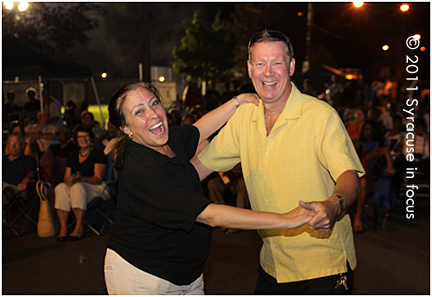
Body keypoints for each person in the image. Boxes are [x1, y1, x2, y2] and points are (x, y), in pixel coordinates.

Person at [193, 29, 364, 294]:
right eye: (260, 63)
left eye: (277, 63)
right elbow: (199, 168)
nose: (268, 72)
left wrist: (334, 204)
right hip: (272, 264)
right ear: (250, 69)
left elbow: (349, 177)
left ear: (291, 66)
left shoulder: (320, 115)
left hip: (323, 266)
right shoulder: (244, 117)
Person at [104, 82, 315, 295]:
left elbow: (199, 130)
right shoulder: (143, 172)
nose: (153, 114)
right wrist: (285, 220)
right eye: (139, 111)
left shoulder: (165, 141)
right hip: (143, 276)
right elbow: (211, 215)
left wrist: (237, 101)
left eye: (154, 103)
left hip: (185, 274)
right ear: (126, 128)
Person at [54, 123, 109, 241]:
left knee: (77, 187)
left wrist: (81, 179)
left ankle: (79, 227)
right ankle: (63, 228)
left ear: (91, 137)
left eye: (86, 136)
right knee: (61, 188)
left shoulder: (98, 154)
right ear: (76, 139)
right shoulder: (72, 155)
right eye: (80, 137)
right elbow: (66, 178)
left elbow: (98, 178)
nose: (83, 139)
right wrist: (70, 179)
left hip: (97, 188)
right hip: (77, 186)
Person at [352, 120, 396, 233]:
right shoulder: (347, 157)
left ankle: (357, 218)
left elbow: (385, 150)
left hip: (365, 183)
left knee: (362, 182)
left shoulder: (367, 156)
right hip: (350, 183)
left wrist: (390, 166)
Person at [2, 133, 36, 205]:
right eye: (11, 143)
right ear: (7, 145)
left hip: (17, 189)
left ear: (22, 146)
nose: (13, 147)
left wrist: (25, 180)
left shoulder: (27, 159)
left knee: (7, 192)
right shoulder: (3, 159)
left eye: (16, 144)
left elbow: (31, 173)